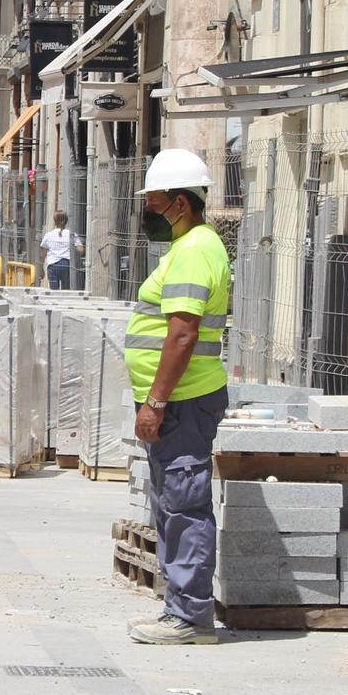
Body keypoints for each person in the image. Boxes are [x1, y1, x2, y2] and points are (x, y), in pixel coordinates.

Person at [124, 149, 232, 646]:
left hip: (182, 402)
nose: (149, 207)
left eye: (155, 199)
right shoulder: (191, 245)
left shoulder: (193, 250)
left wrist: (157, 402)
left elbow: (183, 334)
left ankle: (190, 617)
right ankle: (181, 610)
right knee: (173, 502)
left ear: (181, 203)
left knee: (185, 504)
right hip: (180, 400)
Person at [40, 210, 81, 290]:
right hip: (66, 265)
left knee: (54, 290)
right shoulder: (71, 234)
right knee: (66, 291)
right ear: (66, 221)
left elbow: (43, 254)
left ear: (55, 221)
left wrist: (41, 267)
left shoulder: (48, 235)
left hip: (53, 265)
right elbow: (81, 250)